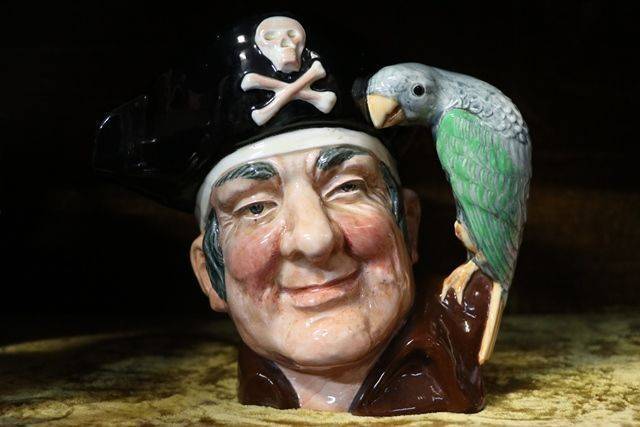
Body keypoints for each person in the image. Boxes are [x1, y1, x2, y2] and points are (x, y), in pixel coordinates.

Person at [94, 13, 494, 416]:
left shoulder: (483, 310)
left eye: (347, 187)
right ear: (209, 275)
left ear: (408, 228)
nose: (315, 240)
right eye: (256, 207)